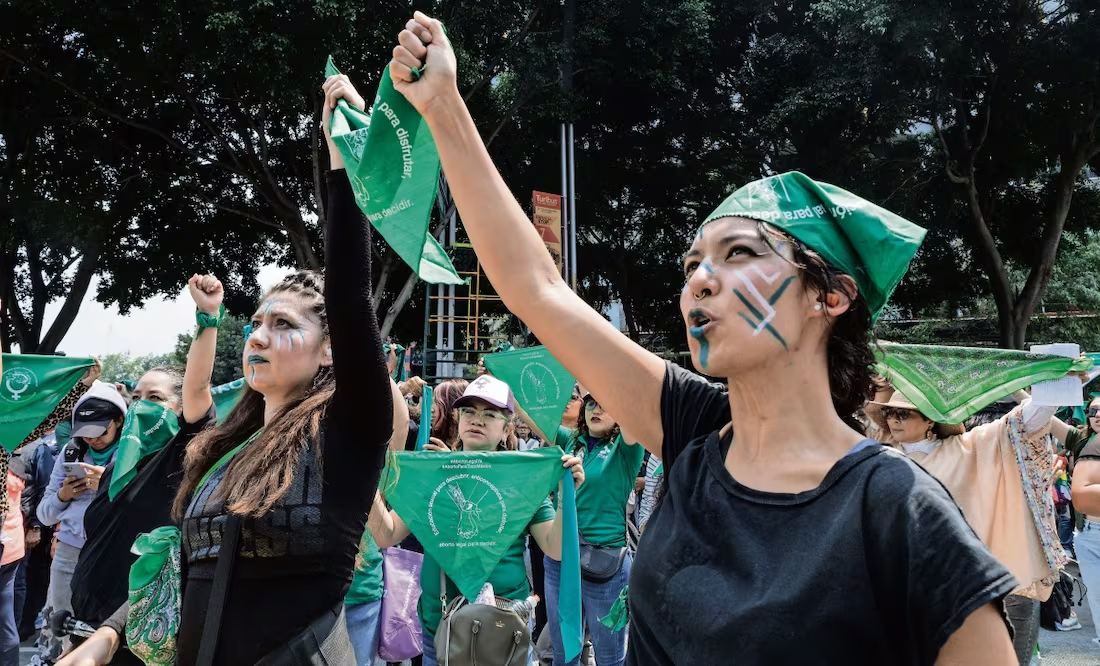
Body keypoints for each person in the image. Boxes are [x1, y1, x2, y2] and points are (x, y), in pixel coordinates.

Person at [386, 13, 1018, 663]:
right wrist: (443, 106)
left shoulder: (897, 513)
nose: (700, 283)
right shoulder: (691, 431)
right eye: (693, 265)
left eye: (739, 253)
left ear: (830, 296)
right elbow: (536, 288)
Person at [57, 73, 396, 665]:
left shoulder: (347, 432)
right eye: (258, 322)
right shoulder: (221, 448)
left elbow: (349, 296)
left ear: (331, 349)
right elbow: (185, 567)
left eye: (285, 325)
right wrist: (104, 640)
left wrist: (345, 163)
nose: (260, 336)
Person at [369, 375, 583, 666]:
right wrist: (364, 479)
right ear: (458, 419)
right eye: (469, 411)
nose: (477, 420)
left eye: (490, 414)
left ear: (506, 426)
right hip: (440, 632)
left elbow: (554, 547)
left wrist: (564, 497)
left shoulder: (521, 479)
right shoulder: (434, 473)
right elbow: (387, 534)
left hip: (504, 631)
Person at [65, 277, 222, 665]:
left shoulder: (179, 457)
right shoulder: (122, 464)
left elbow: (199, 386)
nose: (142, 407)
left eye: (156, 398)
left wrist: (208, 317)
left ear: (180, 406)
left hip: (134, 635)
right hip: (85, 628)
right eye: (136, 398)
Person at [866, 386, 1073, 665]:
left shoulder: (966, 448)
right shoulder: (878, 458)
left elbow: (1026, 421)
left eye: (904, 413)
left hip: (962, 584)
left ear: (930, 420)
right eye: (890, 413)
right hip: (897, 586)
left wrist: (1053, 379)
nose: (894, 420)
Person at [521, 394, 641, 666]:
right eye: (591, 404)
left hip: (607, 567)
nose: (596, 409)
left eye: (605, 404)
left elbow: (636, 410)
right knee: (564, 656)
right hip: (560, 561)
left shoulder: (626, 448)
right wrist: (499, 376)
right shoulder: (569, 441)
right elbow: (527, 412)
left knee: (610, 658)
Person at [32, 381, 127, 664]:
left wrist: (109, 484)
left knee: (102, 629)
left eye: (100, 432)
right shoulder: (70, 452)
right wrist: (63, 495)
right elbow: (44, 515)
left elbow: (140, 509)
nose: (93, 440)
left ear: (119, 420)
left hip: (112, 553)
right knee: (60, 622)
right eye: (85, 434)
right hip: (68, 554)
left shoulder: (133, 452)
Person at [10, 428, 58, 639]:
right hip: (10, 526)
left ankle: (18, 626)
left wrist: (36, 527)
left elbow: (44, 488)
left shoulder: (36, 449)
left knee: (17, 582)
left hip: (22, 526)